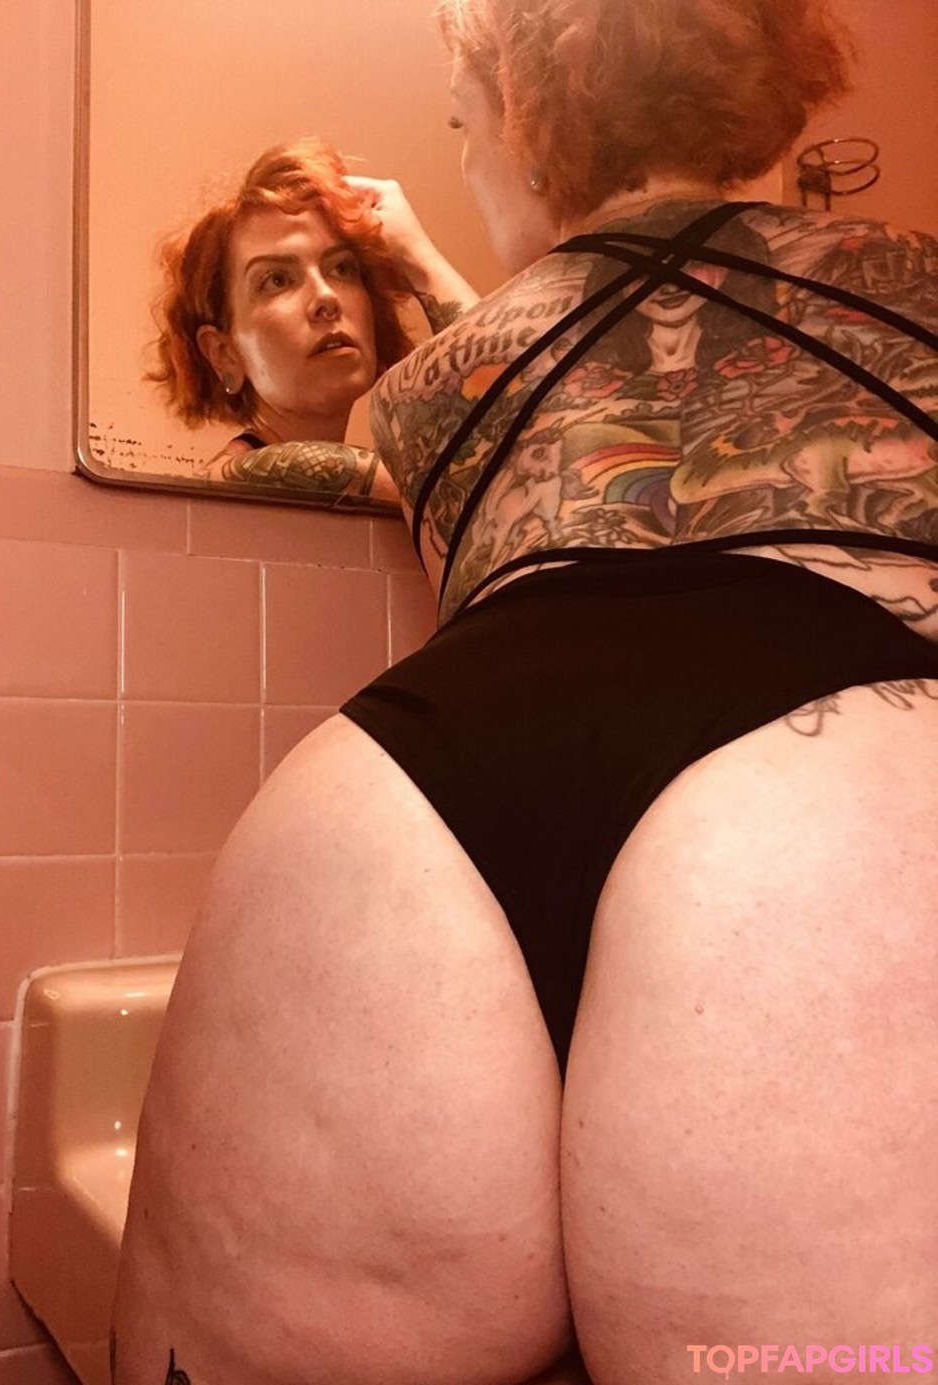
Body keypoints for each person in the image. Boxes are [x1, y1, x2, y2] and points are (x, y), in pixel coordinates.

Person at [113, 4, 938, 1383]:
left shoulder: (426, 392)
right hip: (826, 791)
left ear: (519, 118)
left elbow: (546, 347)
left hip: (390, 818)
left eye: (461, 123)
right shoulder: (911, 277)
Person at [146, 137, 476, 510]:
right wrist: (422, 262)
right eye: (277, 280)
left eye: (342, 268)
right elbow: (510, 447)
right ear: (224, 354)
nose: (326, 296)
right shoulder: (254, 476)